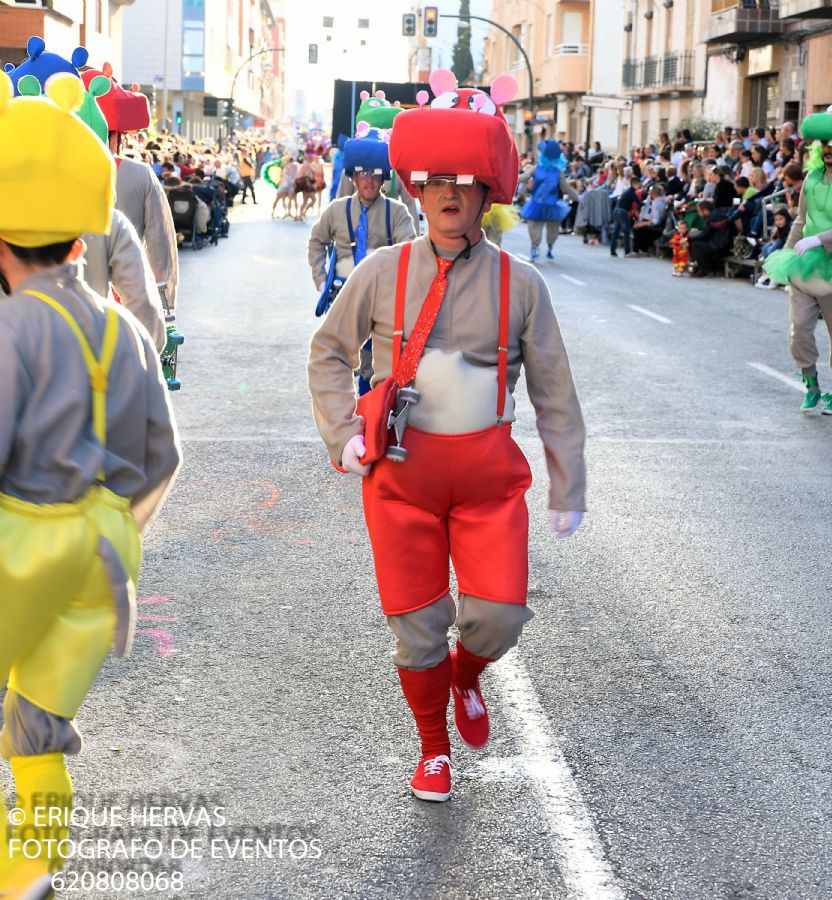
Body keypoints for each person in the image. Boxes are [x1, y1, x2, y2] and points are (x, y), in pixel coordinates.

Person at [307, 67, 586, 804]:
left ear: (487, 194)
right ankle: (433, 750)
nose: (451, 193)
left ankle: (468, 677)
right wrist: (342, 436)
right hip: (401, 477)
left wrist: (569, 482)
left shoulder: (525, 285)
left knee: (497, 616)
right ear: (417, 189)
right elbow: (328, 354)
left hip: (489, 477)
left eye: (466, 180)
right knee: (415, 628)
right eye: (436, 180)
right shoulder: (379, 270)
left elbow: (555, 390)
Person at [0, 71, 181, 898]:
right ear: (84, 238)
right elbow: (161, 458)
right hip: (102, 555)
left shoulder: (11, 330)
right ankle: (32, 864)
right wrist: (117, 522)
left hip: (22, 548)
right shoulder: (123, 334)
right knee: (38, 725)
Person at [307, 128, 415, 392]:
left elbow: (411, 251)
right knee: (335, 355)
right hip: (341, 293)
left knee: (374, 363)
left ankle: (370, 413)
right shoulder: (336, 210)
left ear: (383, 180)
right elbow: (316, 242)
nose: (369, 181)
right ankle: (342, 413)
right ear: (353, 177)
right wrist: (321, 281)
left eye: (376, 175)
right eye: (363, 174)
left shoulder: (397, 213)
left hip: (381, 297)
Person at [764, 109, 832, 414]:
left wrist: (820, 239)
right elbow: (800, 220)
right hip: (806, 267)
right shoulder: (811, 178)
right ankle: (812, 384)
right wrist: (788, 256)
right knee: (799, 332)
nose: (829, 149)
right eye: (825, 144)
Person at [519, 139, 579, 262]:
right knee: (534, 227)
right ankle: (535, 247)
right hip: (537, 203)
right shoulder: (537, 168)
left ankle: (550, 245)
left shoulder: (558, 172)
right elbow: (524, 177)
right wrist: (508, 178)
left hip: (552, 204)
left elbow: (565, 187)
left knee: (552, 230)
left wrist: (577, 198)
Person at [609, 175, 642, 257]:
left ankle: (612, 250)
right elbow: (638, 202)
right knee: (626, 231)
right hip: (622, 212)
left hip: (617, 210)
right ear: (635, 184)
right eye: (638, 184)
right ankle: (627, 251)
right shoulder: (631, 192)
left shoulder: (627, 191)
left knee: (616, 231)